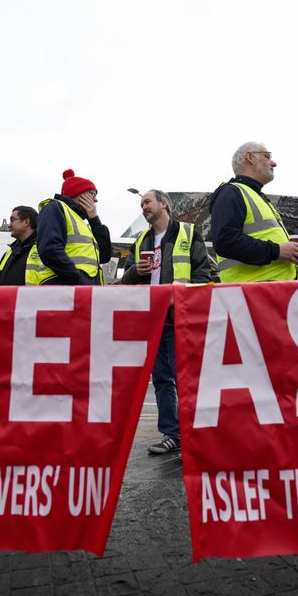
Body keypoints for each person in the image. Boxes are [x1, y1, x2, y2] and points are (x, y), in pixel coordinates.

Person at [121, 190, 212, 454]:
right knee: (161, 380)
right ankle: (171, 434)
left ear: (164, 204)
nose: (143, 207)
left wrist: (179, 296)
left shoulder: (188, 233)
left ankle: (192, 438)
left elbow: (203, 274)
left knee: (185, 379)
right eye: (141, 204)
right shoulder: (140, 242)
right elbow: (126, 281)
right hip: (152, 322)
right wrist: (134, 272)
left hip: (179, 319)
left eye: (147, 202)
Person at [209, 142, 298, 282]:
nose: (274, 163)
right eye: (267, 156)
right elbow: (225, 241)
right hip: (251, 293)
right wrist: (277, 250)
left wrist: (290, 251)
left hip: (269, 290)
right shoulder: (231, 192)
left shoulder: (257, 197)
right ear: (250, 157)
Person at [26, 169, 111, 285]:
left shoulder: (81, 222)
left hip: (80, 291)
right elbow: (49, 249)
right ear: (78, 193)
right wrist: (76, 277)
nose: (95, 199)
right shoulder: (56, 207)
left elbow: (104, 256)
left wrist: (94, 219)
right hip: (64, 289)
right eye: (92, 193)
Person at [0, 206, 38, 286]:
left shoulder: (42, 251)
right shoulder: (8, 254)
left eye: (12, 220)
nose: (9, 225)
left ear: (26, 222)